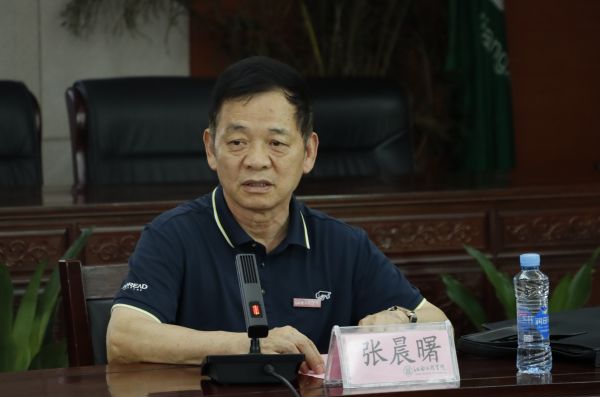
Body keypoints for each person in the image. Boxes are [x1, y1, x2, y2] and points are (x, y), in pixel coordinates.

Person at [106, 56, 449, 374]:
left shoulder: (343, 244)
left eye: (276, 143)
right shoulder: (172, 235)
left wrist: (401, 318)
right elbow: (123, 337)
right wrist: (251, 346)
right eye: (237, 142)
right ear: (211, 148)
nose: (256, 161)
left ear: (309, 152)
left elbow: (436, 323)